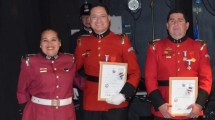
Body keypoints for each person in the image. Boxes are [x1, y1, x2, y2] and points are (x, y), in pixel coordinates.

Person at [74, 3, 141, 120]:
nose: (98, 20)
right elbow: (72, 69)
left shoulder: (122, 41)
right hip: (91, 101)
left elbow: (135, 73)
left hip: (116, 100)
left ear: (109, 19)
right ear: (89, 20)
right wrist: (78, 84)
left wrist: (124, 94)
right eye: (94, 16)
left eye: (102, 16)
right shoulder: (82, 42)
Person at [144, 9, 212, 120]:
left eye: (180, 20)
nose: (176, 24)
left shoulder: (199, 47)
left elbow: (206, 79)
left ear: (187, 25)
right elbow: (150, 78)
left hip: (192, 110)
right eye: (172, 21)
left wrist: (199, 104)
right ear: (167, 25)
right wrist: (160, 105)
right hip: (164, 110)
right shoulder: (155, 47)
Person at [17, 29, 83, 120]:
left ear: (59, 43)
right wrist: (25, 111)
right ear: (40, 44)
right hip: (39, 113)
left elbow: (79, 81)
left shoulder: (69, 60)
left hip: (66, 114)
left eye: (53, 40)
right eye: (45, 40)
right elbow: (21, 92)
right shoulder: (30, 62)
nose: (49, 44)